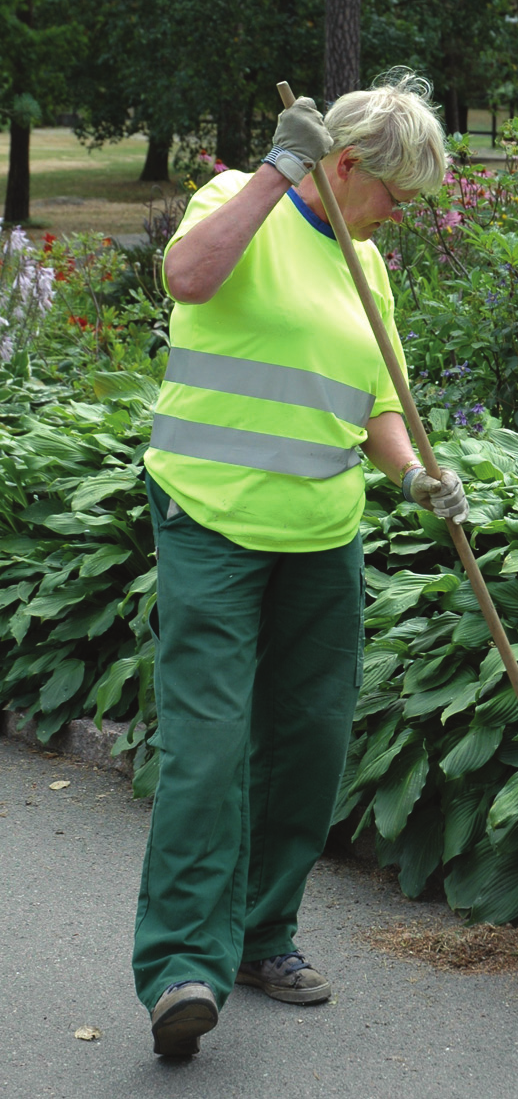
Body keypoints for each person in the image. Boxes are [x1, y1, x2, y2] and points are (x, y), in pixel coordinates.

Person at [135, 69, 467, 1058]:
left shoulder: (371, 270)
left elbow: (376, 404)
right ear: (347, 162)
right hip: (211, 518)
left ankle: (263, 936)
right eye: (391, 195)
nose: (395, 217)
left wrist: (414, 479)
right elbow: (188, 277)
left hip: (322, 536)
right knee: (208, 749)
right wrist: (277, 171)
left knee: (311, 741)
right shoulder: (237, 202)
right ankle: (183, 968)